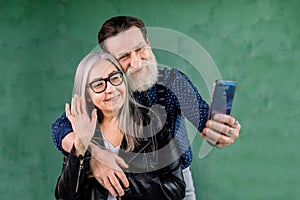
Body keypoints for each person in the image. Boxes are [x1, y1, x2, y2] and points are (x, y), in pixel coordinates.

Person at [52, 16, 241, 200]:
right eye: (124, 56)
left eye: (140, 49)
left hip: (171, 181)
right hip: (114, 179)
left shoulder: (173, 82)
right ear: (110, 61)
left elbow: (204, 120)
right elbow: (61, 128)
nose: (137, 63)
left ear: (148, 44)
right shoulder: (106, 90)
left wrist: (223, 130)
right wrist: (96, 157)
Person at [55, 52, 186, 200]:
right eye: (98, 84)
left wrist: (123, 179)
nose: (110, 88)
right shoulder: (83, 129)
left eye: (115, 78)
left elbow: (176, 189)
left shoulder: (152, 122)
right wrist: (80, 146)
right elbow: (64, 196)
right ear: (87, 94)